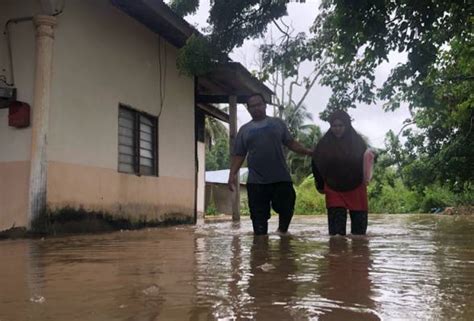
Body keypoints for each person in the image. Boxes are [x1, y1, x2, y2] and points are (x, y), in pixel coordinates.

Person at [228, 93, 312, 235]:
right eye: (252, 106)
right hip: (256, 182)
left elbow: (291, 143)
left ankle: (282, 234)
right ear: (248, 109)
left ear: (265, 105)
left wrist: (309, 152)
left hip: (281, 178)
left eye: (259, 104)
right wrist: (232, 175)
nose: (256, 108)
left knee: (287, 208)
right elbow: (239, 155)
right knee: (258, 221)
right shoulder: (244, 130)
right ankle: (261, 250)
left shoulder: (277, 124)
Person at [312, 110, 374, 236]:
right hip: (333, 188)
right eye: (334, 126)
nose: (337, 129)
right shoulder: (324, 144)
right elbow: (316, 163)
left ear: (347, 125)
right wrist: (319, 185)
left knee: (359, 235)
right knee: (336, 236)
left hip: (357, 187)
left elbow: (368, 162)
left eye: (341, 125)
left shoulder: (358, 143)